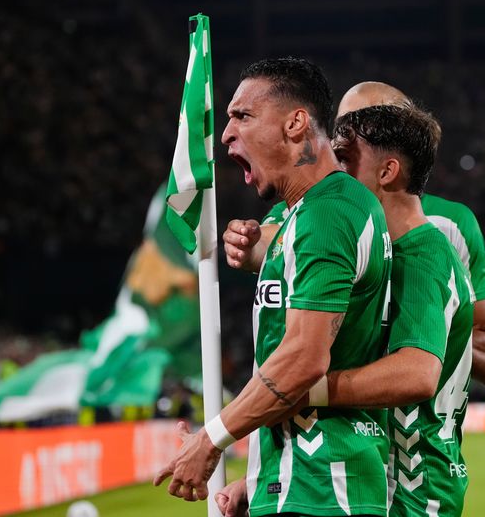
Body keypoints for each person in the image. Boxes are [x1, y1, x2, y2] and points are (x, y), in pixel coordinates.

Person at [154, 57, 394, 517]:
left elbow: (304, 359)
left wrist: (212, 439)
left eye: (242, 116)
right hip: (297, 480)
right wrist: (262, 472)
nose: (225, 134)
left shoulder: (329, 213)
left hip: (326, 489)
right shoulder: (299, 215)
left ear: (296, 123)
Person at [219, 104, 475, 517]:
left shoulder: (425, 255)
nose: (329, 167)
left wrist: (300, 390)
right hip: (365, 479)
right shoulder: (370, 249)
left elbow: (416, 373)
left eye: (343, 157)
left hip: (416, 491)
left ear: (387, 172)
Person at [226, 81, 485, 386]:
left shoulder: (450, 225)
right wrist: (247, 247)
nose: (344, 141)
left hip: (409, 428)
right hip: (339, 424)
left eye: (369, 125)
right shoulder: (310, 208)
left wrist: (424, 330)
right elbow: (277, 240)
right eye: (341, 129)